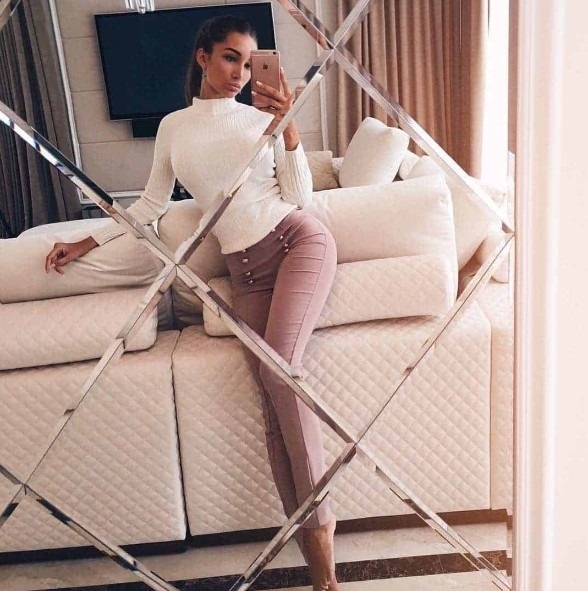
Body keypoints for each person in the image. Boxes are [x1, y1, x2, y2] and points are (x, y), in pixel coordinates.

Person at [45, 15, 339, 591]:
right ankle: (317, 570)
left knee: (282, 375)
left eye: (249, 62)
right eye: (230, 57)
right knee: (272, 406)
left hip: (296, 243)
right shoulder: (174, 128)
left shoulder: (262, 118)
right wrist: (86, 240)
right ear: (203, 57)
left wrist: (288, 132)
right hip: (246, 275)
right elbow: (150, 205)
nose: (240, 73)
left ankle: (326, 561)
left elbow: (301, 198)